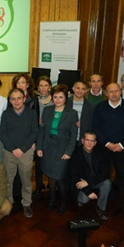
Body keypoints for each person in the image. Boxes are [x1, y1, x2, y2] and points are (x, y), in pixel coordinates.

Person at [92, 83, 124, 218]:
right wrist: (107, 143)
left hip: (122, 150)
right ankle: (103, 205)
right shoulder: (100, 108)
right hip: (104, 148)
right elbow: (95, 127)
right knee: (104, 177)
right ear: (106, 93)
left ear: (121, 91)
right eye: (110, 91)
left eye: (116, 91)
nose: (114, 94)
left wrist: (122, 145)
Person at [36, 84, 78, 215]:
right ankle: (52, 199)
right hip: (48, 148)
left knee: (59, 177)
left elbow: (73, 135)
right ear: (52, 98)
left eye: (61, 97)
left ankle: (64, 202)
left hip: (62, 149)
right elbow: (41, 131)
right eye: (55, 97)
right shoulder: (47, 110)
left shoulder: (72, 113)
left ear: (66, 98)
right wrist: (39, 147)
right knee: (50, 176)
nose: (58, 99)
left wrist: (68, 152)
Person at [0, 88, 38, 218]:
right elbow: (3, 133)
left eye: (19, 98)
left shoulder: (32, 113)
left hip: (26, 152)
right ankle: (8, 202)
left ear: (24, 99)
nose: (16, 101)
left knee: (26, 180)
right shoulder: (6, 114)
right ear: (10, 100)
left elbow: (34, 132)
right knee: (8, 180)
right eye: (13, 99)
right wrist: (13, 149)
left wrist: (22, 149)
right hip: (9, 152)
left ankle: (26, 203)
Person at [69, 131, 111, 220]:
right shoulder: (75, 154)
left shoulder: (101, 153)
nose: (89, 143)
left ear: (95, 143)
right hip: (81, 183)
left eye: (92, 141)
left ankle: (101, 208)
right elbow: (74, 176)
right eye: (87, 140)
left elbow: (105, 173)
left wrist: (88, 182)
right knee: (84, 199)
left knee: (107, 183)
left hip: (93, 180)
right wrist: (88, 192)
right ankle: (79, 199)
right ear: (82, 140)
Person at [33, 76, 53, 196]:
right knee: (38, 161)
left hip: (50, 134)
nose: (43, 88)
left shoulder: (55, 99)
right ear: (37, 87)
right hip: (38, 134)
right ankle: (39, 184)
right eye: (41, 85)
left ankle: (51, 183)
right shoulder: (35, 100)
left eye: (46, 85)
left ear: (50, 86)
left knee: (50, 160)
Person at [66, 80, 94, 146]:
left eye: (83, 89)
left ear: (86, 91)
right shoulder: (65, 103)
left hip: (81, 141)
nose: (80, 91)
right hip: (66, 140)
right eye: (78, 88)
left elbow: (91, 125)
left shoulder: (91, 106)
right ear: (73, 89)